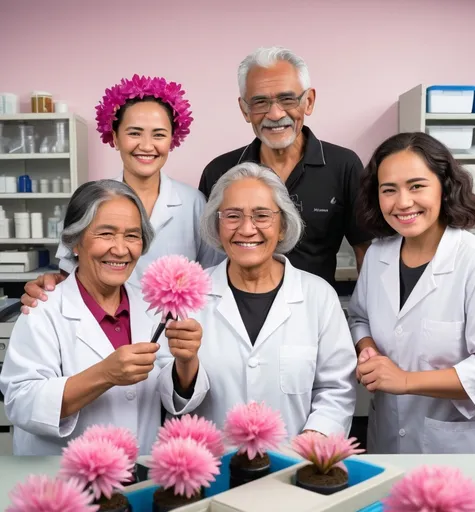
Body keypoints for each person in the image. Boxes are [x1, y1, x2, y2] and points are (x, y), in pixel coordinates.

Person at [0, 180, 202, 455]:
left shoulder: (151, 306)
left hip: (137, 475)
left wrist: (187, 360)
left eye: (132, 236)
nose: (120, 249)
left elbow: (171, 395)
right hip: (64, 482)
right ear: (74, 242)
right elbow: (21, 403)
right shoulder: (42, 309)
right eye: (106, 234)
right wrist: (104, 374)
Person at [163, 162, 357, 438]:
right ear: (217, 226)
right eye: (232, 216)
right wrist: (185, 364)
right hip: (214, 467)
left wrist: (312, 442)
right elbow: (171, 398)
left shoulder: (318, 295)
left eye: (262, 215)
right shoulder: (186, 294)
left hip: (294, 465)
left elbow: (338, 389)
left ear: (282, 226)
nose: (246, 228)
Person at [348, 132, 475, 454]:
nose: (403, 202)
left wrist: (406, 381)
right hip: (388, 439)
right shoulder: (378, 256)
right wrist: (367, 347)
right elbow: (359, 316)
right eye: (389, 190)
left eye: (416, 186)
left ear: (445, 187)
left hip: (458, 446)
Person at [21, 74, 223, 311]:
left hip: (173, 334)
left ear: (172, 139)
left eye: (158, 134)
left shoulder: (194, 203)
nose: (147, 146)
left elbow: (212, 278)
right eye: (134, 133)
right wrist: (49, 285)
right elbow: (69, 276)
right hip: (104, 329)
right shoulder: (91, 200)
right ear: (115, 137)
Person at [199, 47, 371, 288]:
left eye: (287, 99)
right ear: (244, 109)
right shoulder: (220, 171)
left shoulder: (343, 166)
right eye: (260, 102)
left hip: (316, 314)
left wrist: (362, 318)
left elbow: (365, 250)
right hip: (235, 315)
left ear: (308, 102)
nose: (275, 113)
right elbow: (208, 257)